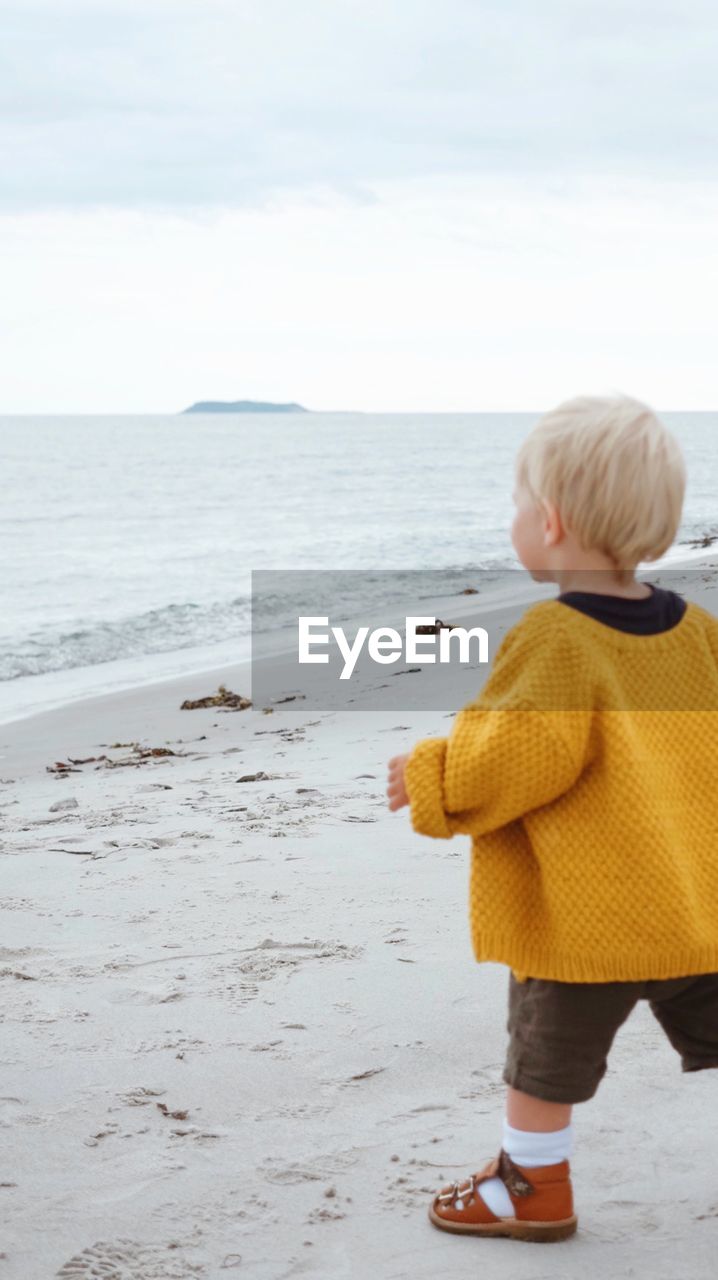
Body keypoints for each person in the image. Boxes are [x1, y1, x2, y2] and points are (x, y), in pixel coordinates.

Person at [387, 393, 718, 1242]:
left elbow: (519, 762)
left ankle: (533, 1187)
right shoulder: (697, 637)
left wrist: (433, 775)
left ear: (555, 522)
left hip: (587, 924)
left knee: (543, 1062)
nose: (515, 520)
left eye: (518, 505)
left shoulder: (556, 639)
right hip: (697, 910)